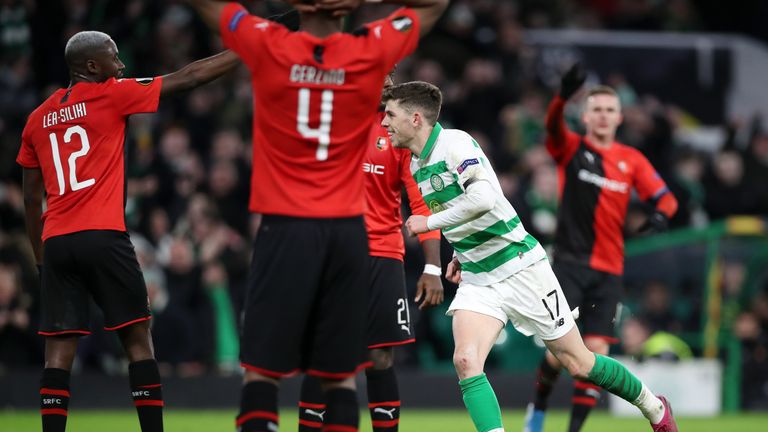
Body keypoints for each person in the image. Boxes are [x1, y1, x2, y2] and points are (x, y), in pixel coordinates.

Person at [185, 1, 448, 431]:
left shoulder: (267, 42)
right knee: (338, 373)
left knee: (261, 369)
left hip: (286, 224)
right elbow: (433, 6)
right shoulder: (369, 49)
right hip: (346, 232)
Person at [382, 81, 678, 432]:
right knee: (465, 360)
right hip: (479, 276)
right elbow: (463, 213)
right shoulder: (418, 164)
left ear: (415, 119)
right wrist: (461, 250)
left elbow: (484, 199)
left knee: (578, 362)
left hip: (521, 267)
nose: (384, 122)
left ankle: (654, 407)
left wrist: (428, 221)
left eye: (390, 115)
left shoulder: (455, 144)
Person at [17, 31, 240, 432]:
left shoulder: (36, 120)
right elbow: (190, 76)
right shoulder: (112, 93)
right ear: (91, 67)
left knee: (58, 351)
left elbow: (32, 201)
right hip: (104, 235)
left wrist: (40, 257)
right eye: (113, 58)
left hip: (57, 241)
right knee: (138, 340)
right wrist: (251, 48)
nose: (120, 66)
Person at [524, 64, 679, 432]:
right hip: (569, 266)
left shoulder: (632, 160)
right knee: (560, 356)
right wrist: (561, 96)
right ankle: (540, 406)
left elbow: (666, 199)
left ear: (620, 116)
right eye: (597, 109)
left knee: (597, 354)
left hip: (609, 270)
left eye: (610, 109)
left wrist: (660, 216)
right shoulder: (572, 148)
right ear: (586, 115)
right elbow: (551, 128)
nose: (604, 115)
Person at [298, 71, 444, 432]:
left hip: (383, 253)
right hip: (332, 255)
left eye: (391, 77)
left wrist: (432, 268)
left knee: (381, 355)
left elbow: (422, 205)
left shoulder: (397, 136)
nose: (387, 83)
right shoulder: (330, 127)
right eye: (378, 76)